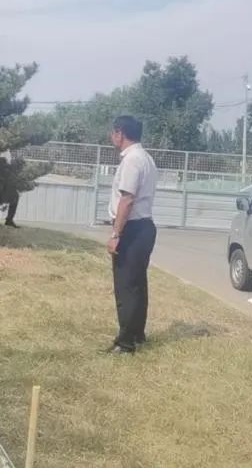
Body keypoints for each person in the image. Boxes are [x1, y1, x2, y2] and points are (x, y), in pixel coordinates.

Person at [105, 116, 158, 355]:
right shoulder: (145, 158)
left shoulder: (132, 160)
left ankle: (125, 343)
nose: (112, 136)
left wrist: (116, 234)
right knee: (137, 284)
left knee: (126, 286)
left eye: (113, 132)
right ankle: (136, 334)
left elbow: (127, 199)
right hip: (143, 227)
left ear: (120, 133)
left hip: (132, 229)